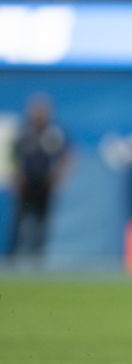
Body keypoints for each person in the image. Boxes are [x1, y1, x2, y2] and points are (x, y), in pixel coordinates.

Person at [9, 93, 71, 262]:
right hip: (26, 181)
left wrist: (58, 176)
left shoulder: (53, 132)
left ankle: (38, 257)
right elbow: (14, 155)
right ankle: (12, 256)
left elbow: (67, 155)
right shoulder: (24, 131)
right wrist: (16, 176)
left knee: (43, 221)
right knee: (20, 220)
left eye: (42, 110)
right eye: (36, 110)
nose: (39, 114)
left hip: (45, 181)